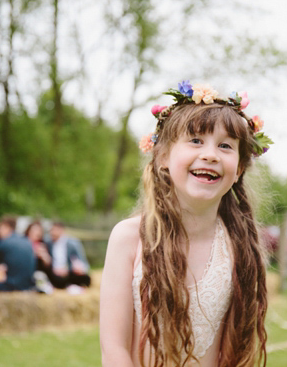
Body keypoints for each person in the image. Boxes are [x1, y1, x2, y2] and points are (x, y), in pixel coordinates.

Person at [101, 82, 271, 367]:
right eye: (195, 141)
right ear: (164, 156)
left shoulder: (238, 245)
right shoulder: (129, 238)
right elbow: (113, 348)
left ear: (239, 168)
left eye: (225, 146)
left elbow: (230, 353)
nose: (210, 154)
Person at [48, 220, 91, 290]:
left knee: (85, 278)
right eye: (51, 230)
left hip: (69, 273)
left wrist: (72, 269)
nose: (52, 233)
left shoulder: (73, 243)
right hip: (54, 274)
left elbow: (84, 263)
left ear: (61, 230)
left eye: (54, 230)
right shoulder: (49, 243)